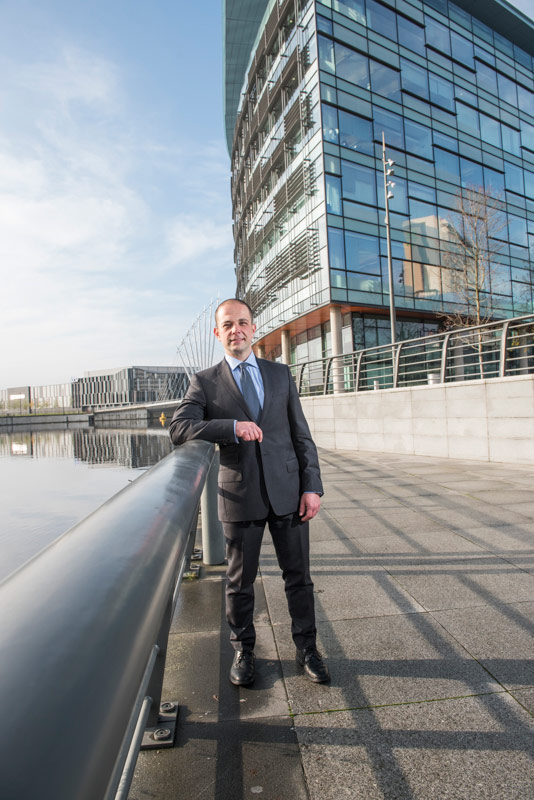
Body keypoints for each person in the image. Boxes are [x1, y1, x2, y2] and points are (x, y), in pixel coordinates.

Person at [169, 298, 329, 686]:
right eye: (228, 324)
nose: (236, 330)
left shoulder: (280, 374)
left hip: (289, 492)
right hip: (240, 496)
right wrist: (231, 427)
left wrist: (312, 486)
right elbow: (179, 428)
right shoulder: (205, 382)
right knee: (239, 583)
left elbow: (301, 436)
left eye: (242, 322)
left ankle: (307, 649)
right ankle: (244, 650)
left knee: (299, 578)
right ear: (217, 333)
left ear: (253, 328)